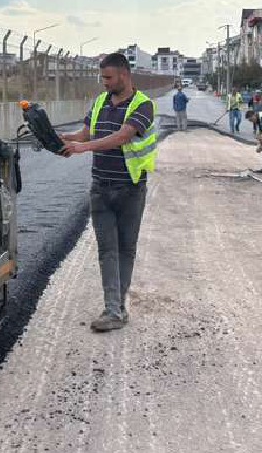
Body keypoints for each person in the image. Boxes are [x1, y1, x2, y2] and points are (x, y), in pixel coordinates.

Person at [60, 53, 158, 333]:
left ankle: (118, 307)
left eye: (108, 78)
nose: (104, 83)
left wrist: (84, 148)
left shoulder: (143, 105)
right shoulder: (101, 102)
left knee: (125, 249)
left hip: (130, 189)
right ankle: (113, 309)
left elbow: (122, 137)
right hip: (100, 188)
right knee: (107, 251)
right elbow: (85, 134)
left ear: (124, 75)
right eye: (102, 78)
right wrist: (63, 139)